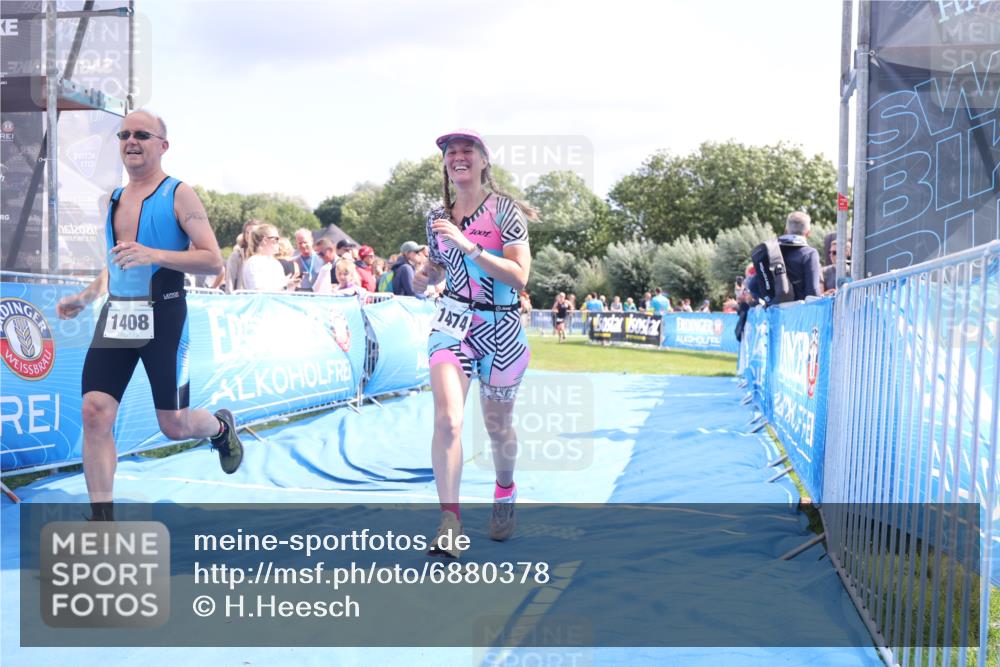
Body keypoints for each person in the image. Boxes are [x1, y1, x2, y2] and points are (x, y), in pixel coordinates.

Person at [55, 110, 243, 521]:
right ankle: (101, 520)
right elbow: (117, 261)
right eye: (124, 134)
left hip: (166, 315)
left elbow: (213, 260)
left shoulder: (179, 194)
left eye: (141, 134)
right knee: (94, 411)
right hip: (118, 315)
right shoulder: (113, 199)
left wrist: (155, 254)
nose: (130, 141)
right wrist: (86, 297)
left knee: (173, 426)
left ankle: (220, 427)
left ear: (163, 144)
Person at [412, 129, 534, 558]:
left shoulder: (506, 212)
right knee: (448, 419)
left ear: (484, 161)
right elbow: (440, 267)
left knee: (499, 426)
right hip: (452, 324)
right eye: (450, 152)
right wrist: (426, 275)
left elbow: (520, 277)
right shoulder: (435, 218)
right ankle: (450, 521)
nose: (457, 157)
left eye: (467, 151)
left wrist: (470, 246)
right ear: (445, 164)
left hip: (501, 328)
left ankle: (505, 490)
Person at [748, 211, 822, 302]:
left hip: (776, 310)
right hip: (799, 312)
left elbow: (753, 285)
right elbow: (813, 291)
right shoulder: (810, 253)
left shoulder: (772, 251)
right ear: (808, 233)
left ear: (786, 230)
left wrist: (771, 301)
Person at [241, 223, 291, 291]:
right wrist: (284, 285)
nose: (279, 242)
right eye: (276, 239)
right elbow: (258, 291)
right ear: (265, 240)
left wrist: (290, 286)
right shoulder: (254, 263)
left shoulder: (276, 263)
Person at [224, 220, 259, 292]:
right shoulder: (237, 256)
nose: (249, 235)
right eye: (247, 232)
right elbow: (230, 280)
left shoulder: (266, 256)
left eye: (253, 233)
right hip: (242, 298)